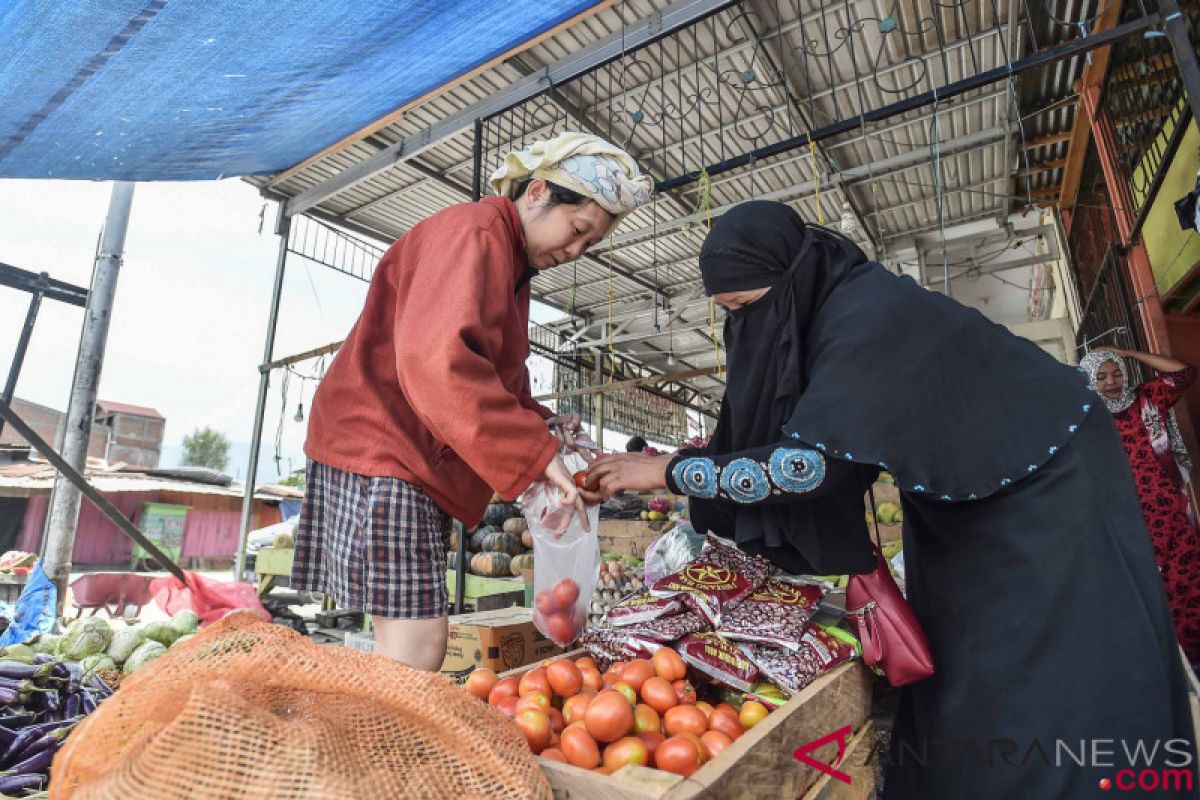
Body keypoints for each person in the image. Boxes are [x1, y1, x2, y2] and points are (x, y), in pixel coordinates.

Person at [584, 201, 1196, 799]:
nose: (741, 330)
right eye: (728, 314)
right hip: (963, 492)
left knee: (1044, 656)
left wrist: (671, 471)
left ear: (787, 281)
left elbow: (806, 467)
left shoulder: (868, 317)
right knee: (961, 650)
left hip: (1045, 479)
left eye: (745, 308)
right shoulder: (826, 316)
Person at [294, 132, 652, 670]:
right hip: (386, 444)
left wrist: (547, 432)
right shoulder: (474, 235)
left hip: (407, 453)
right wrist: (533, 454)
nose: (575, 250)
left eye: (588, 244)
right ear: (536, 193)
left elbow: (498, 380)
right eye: (577, 229)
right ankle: (389, 745)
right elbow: (440, 363)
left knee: (404, 635)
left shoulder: (507, 263)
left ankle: (377, 737)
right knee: (416, 644)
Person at [1081, 346, 1200, 666]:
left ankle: (1195, 659)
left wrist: (1128, 353)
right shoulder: (1087, 421)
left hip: (1171, 513)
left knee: (1189, 584)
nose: (1112, 382)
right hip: (1128, 523)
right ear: (1090, 380)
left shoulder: (1148, 400)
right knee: (1148, 592)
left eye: (1117, 372)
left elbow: (1184, 374)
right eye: (1102, 376)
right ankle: (1168, 665)